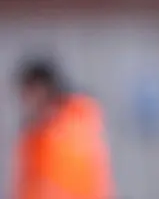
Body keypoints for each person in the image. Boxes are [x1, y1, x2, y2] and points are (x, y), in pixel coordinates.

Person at [11, 59, 113, 199]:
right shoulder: (34, 133)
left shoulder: (73, 128)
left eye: (28, 93)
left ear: (43, 89)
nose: (25, 102)